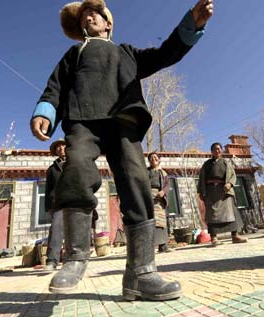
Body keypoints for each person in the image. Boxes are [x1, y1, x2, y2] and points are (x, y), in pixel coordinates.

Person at [30, 0, 213, 301]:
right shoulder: (74, 54)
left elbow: (164, 54)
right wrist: (45, 112)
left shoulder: (125, 52)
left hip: (123, 122)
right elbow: (55, 88)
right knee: (75, 167)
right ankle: (75, 257)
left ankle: (141, 273)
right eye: (85, 17)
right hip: (82, 122)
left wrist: (193, 24)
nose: (89, 18)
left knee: (137, 184)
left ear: (108, 24)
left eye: (95, 14)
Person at [197, 142, 247, 247]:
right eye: (215, 149)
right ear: (211, 151)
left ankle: (235, 236)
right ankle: (214, 238)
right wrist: (201, 192)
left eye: (219, 149)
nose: (217, 150)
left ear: (221, 150)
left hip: (225, 192)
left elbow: (233, 175)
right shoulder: (206, 165)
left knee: (231, 213)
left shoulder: (226, 163)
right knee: (212, 215)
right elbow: (201, 179)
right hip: (211, 192)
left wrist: (229, 184)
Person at [43, 138, 67, 271]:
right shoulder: (52, 169)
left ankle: (71, 259)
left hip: (76, 202)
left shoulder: (77, 163)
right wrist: (49, 207)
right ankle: (52, 261)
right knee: (56, 230)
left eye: (64, 146)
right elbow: (47, 190)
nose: (61, 149)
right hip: (58, 204)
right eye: (58, 147)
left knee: (74, 232)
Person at [147, 152, 172, 253]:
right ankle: (150, 247)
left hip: (160, 198)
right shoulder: (145, 171)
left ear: (159, 160)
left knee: (161, 221)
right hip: (148, 197)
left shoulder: (163, 173)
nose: (153, 159)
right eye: (151, 158)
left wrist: (163, 192)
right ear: (149, 161)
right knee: (150, 221)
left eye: (155, 157)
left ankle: (163, 246)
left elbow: (167, 185)